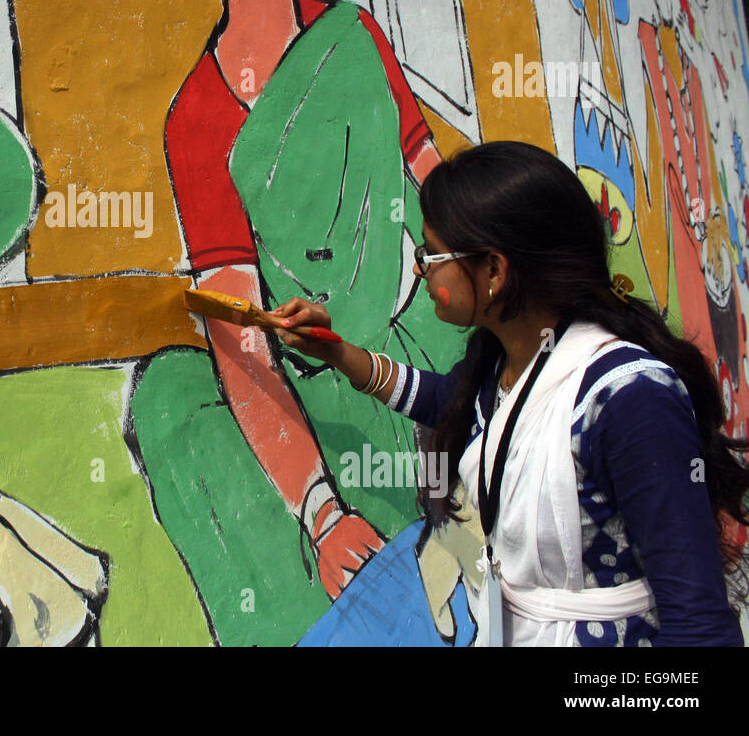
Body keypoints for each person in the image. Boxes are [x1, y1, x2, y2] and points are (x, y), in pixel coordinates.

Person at [128, 0, 467, 644]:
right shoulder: (196, 122)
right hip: (315, 384)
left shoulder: (352, 34)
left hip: (428, 341)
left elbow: (440, 187)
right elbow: (240, 331)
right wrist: (319, 512)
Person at [274, 140, 749, 645]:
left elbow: (698, 623)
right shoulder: (509, 366)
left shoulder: (629, 398)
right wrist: (338, 353)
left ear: (495, 271)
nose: (419, 268)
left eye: (431, 254)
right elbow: (447, 402)